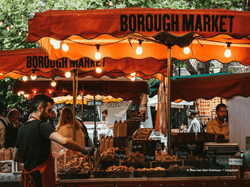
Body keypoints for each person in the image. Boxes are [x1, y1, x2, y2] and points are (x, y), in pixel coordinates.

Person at [13, 94, 93, 187]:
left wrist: (31, 162)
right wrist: (84, 149)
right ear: (40, 108)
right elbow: (65, 141)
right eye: (49, 110)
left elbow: (16, 157)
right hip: (40, 180)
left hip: (28, 179)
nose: (50, 114)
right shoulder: (42, 126)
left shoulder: (22, 128)